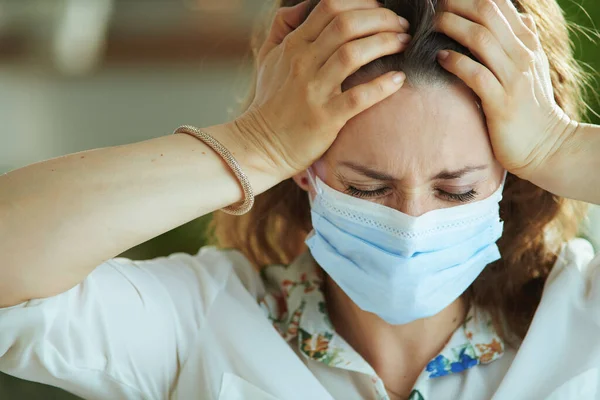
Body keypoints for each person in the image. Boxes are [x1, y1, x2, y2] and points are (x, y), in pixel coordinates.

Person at [1, 0, 599, 398]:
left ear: (508, 176)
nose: (413, 223)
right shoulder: (202, 322)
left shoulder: (582, 317)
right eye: (367, 186)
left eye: (457, 188)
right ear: (305, 171)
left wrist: (557, 146)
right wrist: (255, 143)